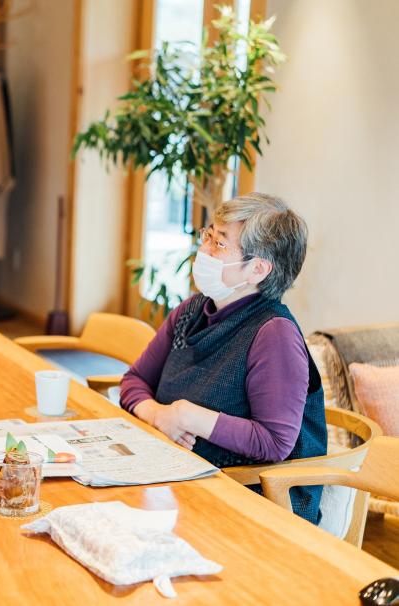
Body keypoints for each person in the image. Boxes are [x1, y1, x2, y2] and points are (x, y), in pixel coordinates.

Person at [120, 193, 326, 524]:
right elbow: (133, 381)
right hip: (176, 477)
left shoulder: (274, 334)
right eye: (208, 236)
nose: (204, 251)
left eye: (219, 244)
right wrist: (158, 415)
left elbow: (275, 442)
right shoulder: (192, 311)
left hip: (249, 503)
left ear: (257, 269)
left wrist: (186, 416)